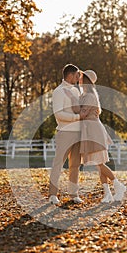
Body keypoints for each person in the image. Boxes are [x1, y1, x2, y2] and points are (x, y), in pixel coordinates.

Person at [78, 69, 127, 203]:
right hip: (89, 130)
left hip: (93, 130)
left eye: (81, 77)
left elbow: (82, 114)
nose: (79, 79)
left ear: (86, 80)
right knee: (98, 163)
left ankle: (118, 185)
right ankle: (107, 194)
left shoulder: (89, 96)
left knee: (99, 163)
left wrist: (68, 114)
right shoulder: (85, 95)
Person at [48, 64, 85, 205]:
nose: (78, 78)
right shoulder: (59, 91)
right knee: (58, 163)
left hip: (78, 132)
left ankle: (73, 194)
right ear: (70, 75)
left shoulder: (76, 91)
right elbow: (59, 114)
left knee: (75, 165)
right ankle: (52, 195)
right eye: (77, 75)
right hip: (65, 132)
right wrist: (77, 117)